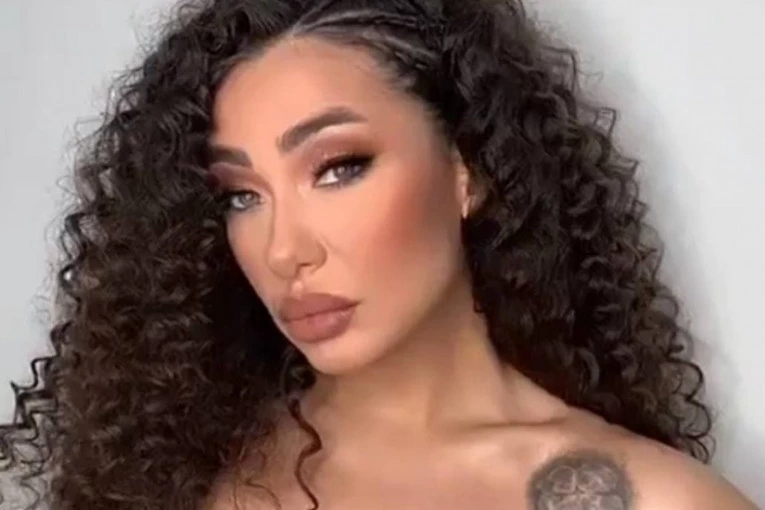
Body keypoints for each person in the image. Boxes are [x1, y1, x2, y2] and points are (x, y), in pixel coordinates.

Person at [0, 0, 758, 508]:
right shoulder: (174, 469)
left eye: (338, 168)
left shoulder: (649, 499)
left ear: (469, 169)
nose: (284, 251)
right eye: (240, 195)